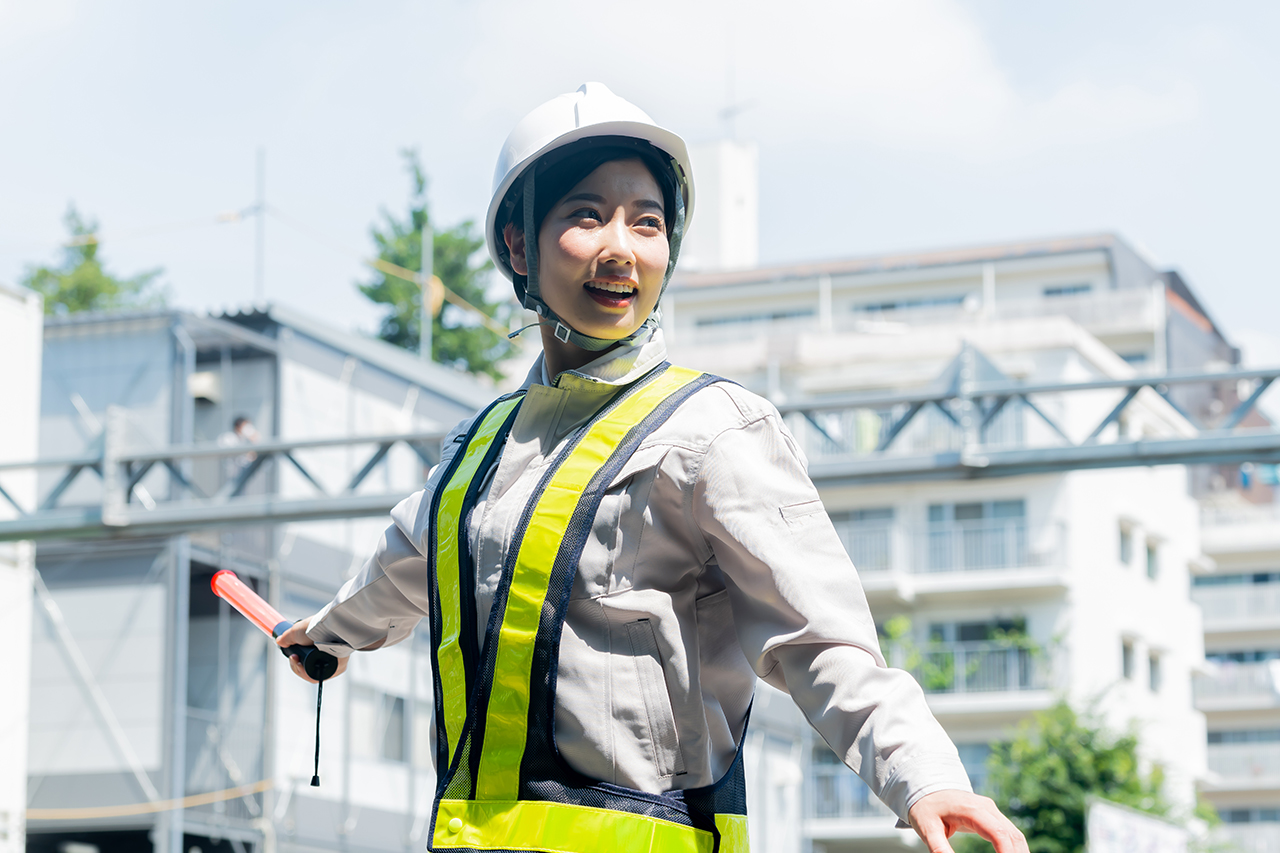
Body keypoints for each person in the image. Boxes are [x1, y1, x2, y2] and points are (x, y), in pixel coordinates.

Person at [278, 83, 1029, 853]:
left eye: (648, 222)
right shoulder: (478, 451)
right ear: (517, 245)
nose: (621, 246)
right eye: (584, 214)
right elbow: (398, 573)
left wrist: (927, 777)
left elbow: (822, 641)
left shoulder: (714, 431)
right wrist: (325, 636)